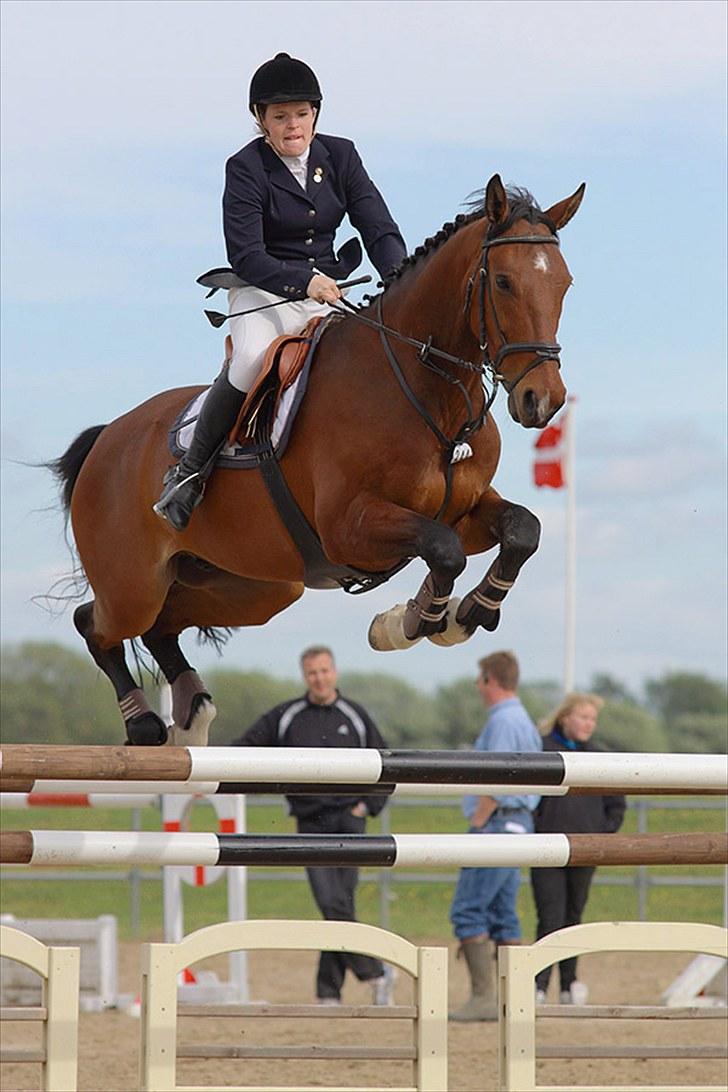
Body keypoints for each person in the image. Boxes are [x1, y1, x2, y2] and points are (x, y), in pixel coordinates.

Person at [155, 51, 407, 530]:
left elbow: (378, 226)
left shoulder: (342, 155)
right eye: (280, 116)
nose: (293, 126)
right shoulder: (246, 168)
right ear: (261, 120)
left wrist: (400, 278)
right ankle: (188, 476)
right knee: (250, 360)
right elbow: (246, 254)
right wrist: (304, 282)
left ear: (315, 113)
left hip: (331, 289)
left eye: (302, 114)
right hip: (264, 291)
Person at [233, 645, 395, 1005]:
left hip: (350, 824)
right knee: (331, 902)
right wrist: (208, 771)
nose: (319, 678)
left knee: (338, 905)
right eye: (312, 673)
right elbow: (245, 746)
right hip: (311, 824)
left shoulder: (355, 715)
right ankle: (375, 973)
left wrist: (367, 807)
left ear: (334, 672)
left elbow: (387, 765)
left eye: (324, 671)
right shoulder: (287, 716)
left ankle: (328, 991)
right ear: (304, 676)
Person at [449, 651, 543, 1022]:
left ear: (491, 680)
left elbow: (498, 776)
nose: (477, 687)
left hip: (498, 823)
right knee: (504, 914)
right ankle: (511, 998)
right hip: (518, 822)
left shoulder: (503, 722)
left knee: (468, 908)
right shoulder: (521, 719)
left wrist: (479, 820)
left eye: (480, 680)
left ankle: (484, 996)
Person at [531, 692, 626, 1004]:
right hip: (546, 848)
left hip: (586, 850)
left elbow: (616, 804)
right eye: (583, 717)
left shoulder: (599, 756)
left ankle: (569, 985)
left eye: (592, 719)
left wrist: (600, 835)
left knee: (574, 916)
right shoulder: (541, 749)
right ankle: (539, 985)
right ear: (565, 717)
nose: (589, 724)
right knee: (550, 915)